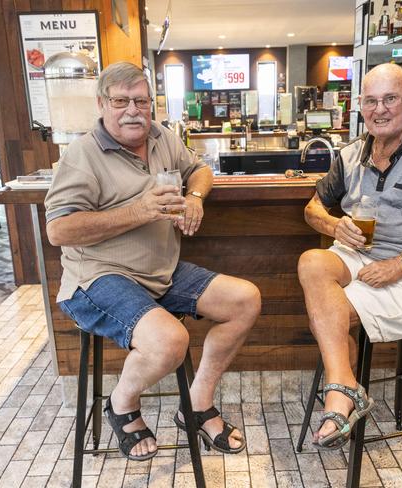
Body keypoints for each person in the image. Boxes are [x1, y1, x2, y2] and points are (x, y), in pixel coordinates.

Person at [45, 62, 261, 461]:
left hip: (160, 271)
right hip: (97, 278)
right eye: (121, 101)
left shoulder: (163, 136)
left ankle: (196, 404)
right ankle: (121, 405)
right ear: (102, 104)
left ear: (151, 104)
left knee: (244, 299)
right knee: (170, 342)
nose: (133, 111)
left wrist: (195, 197)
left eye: (141, 101)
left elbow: (199, 170)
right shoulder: (82, 155)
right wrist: (138, 211)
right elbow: (59, 230)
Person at [297, 63, 402, 450]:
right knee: (312, 261)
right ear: (360, 105)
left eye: (390, 99)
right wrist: (334, 227)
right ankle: (345, 385)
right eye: (371, 101)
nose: (381, 109)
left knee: (329, 312)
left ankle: (340, 398)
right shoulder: (350, 153)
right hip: (356, 256)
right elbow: (312, 210)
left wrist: (399, 265)